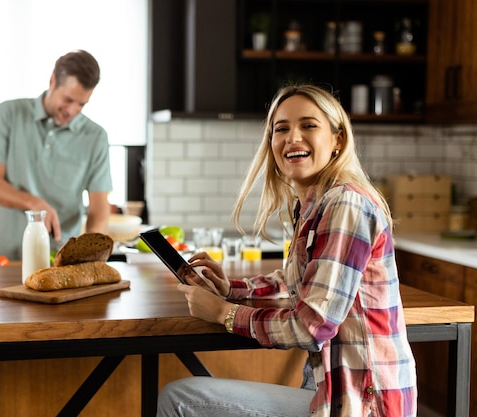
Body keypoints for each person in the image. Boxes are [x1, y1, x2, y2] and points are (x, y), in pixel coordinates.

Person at [157, 84, 417, 417]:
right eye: (281, 129)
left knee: (179, 398)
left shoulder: (345, 203)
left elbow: (312, 326)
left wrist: (223, 313)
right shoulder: (314, 204)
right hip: (331, 387)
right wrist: (229, 289)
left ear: (337, 140)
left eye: (308, 125)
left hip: (364, 403)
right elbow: (298, 280)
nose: (292, 137)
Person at [0, 50, 112, 261]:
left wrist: (89, 254)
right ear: (52, 80)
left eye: (81, 104)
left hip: (57, 261)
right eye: (68, 100)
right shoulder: (9, 113)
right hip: (0, 257)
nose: (72, 110)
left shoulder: (96, 136)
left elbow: (99, 207)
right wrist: (34, 203)